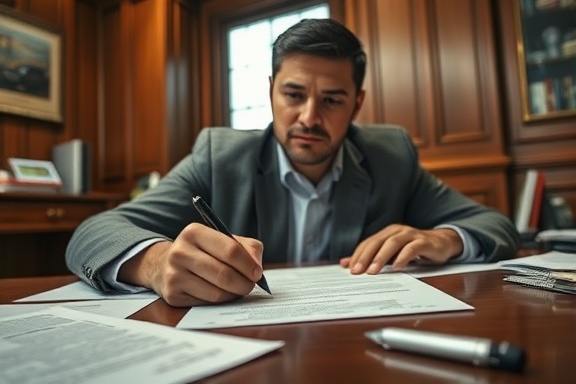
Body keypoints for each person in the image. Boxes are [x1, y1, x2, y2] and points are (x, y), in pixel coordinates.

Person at [66, 18, 519, 307]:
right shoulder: (218, 155)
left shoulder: (391, 156)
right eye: (294, 95)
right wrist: (156, 262)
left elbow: (496, 225)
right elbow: (92, 234)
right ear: (270, 92)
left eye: (332, 100)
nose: (309, 117)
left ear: (357, 104)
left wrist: (444, 237)